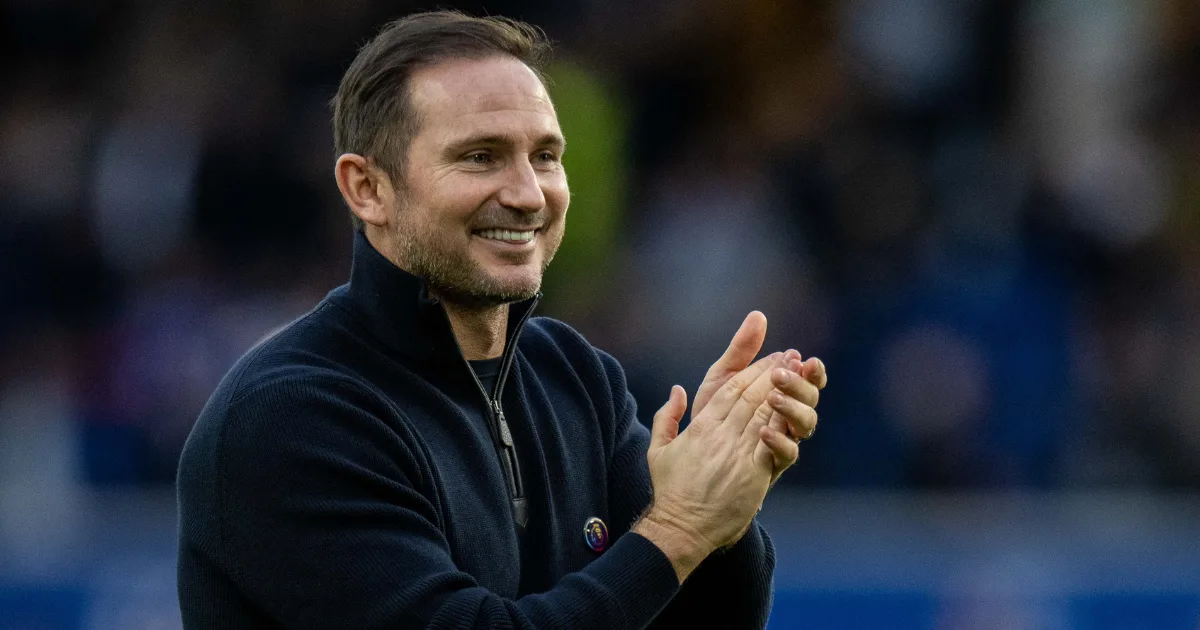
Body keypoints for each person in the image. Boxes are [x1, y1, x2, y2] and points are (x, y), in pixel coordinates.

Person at [176, 10, 827, 629]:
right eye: (480, 156)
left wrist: (721, 507)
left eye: (545, 156)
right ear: (367, 189)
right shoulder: (293, 415)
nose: (527, 194)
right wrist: (680, 527)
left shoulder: (574, 376)